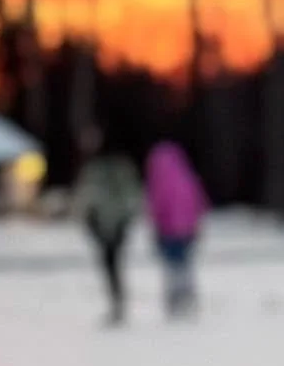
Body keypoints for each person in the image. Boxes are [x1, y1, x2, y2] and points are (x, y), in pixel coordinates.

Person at [71, 126, 142, 324]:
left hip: (112, 223)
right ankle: (116, 303)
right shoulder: (103, 167)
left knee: (112, 264)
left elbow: (89, 197)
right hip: (106, 224)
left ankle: (117, 304)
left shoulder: (104, 168)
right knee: (111, 265)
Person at [144, 140, 208, 318]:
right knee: (185, 264)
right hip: (187, 231)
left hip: (168, 232)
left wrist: (156, 224)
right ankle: (187, 295)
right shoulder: (187, 177)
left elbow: (155, 207)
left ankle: (176, 298)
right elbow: (199, 202)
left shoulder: (158, 182)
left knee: (172, 266)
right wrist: (195, 223)